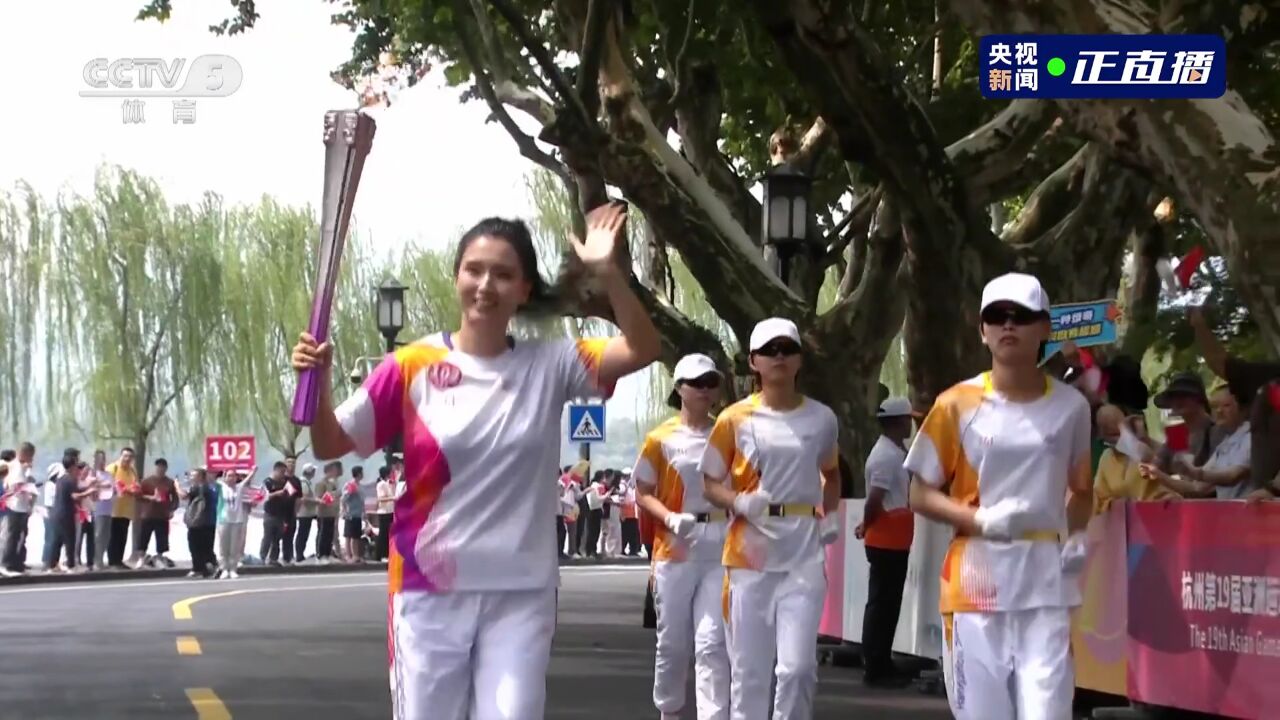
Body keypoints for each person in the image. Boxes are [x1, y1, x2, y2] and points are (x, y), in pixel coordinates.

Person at [289, 202, 659, 719]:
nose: (487, 285)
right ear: (458, 276)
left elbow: (643, 348)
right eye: (475, 270)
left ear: (525, 289)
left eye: (504, 275)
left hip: (521, 592)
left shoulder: (549, 364)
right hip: (428, 593)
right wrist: (319, 381)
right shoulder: (411, 365)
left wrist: (610, 276)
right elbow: (331, 444)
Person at [904, 273, 1093, 720]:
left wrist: (1078, 534)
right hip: (975, 583)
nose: (1009, 325)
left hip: (1045, 584)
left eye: (1022, 317)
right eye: (997, 317)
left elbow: (1082, 491)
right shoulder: (957, 404)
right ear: (983, 330)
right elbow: (918, 492)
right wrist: (981, 520)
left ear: (1045, 328)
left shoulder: (1072, 408)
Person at [700, 318, 841, 720]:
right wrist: (739, 502)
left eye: (787, 349)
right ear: (753, 362)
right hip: (749, 558)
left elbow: (832, 474)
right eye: (770, 350)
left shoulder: (822, 419)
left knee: (796, 670)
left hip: (803, 554)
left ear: (799, 359)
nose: (779, 357)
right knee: (750, 672)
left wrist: (829, 513)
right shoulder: (733, 419)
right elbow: (710, 482)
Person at [634, 353, 731, 720]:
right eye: (698, 383)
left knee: (712, 643)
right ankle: (670, 711)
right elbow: (642, 492)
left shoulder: (728, 432)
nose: (706, 390)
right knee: (673, 643)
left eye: (711, 382)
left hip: (719, 542)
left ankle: (712, 714)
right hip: (675, 548)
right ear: (680, 389)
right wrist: (671, 518)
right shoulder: (660, 439)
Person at [854, 396, 919, 688]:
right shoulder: (884, 456)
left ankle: (882, 661)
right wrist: (866, 525)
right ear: (896, 421)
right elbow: (875, 499)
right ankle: (875, 667)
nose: (911, 424)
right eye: (908, 419)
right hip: (885, 538)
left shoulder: (895, 451)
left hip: (895, 537)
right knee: (881, 602)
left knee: (888, 603)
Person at [1141, 383, 1253, 499]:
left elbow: (1212, 483)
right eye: (1172, 397)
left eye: (1183, 396)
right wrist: (1144, 440)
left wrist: (1193, 473)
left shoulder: (1217, 430)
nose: (1177, 402)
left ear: (1198, 400)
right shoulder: (1177, 432)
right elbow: (1161, 461)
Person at [1092, 405, 1174, 514]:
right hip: (1127, 524)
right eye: (1110, 434)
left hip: (1160, 514)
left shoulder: (1143, 447)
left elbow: (1171, 463)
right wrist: (1120, 505)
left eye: (1118, 432)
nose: (1117, 438)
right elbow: (1099, 498)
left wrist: (1142, 441)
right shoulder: (1106, 458)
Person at [216, 467, 257, 579]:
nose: (231, 478)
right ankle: (224, 568)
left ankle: (233, 569)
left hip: (237, 521)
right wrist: (211, 467)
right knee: (224, 547)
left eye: (233, 476)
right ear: (225, 477)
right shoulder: (221, 487)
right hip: (224, 520)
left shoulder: (239, 487)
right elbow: (210, 478)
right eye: (229, 476)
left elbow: (248, 478)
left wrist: (253, 470)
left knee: (235, 547)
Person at [138, 458, 179, 568]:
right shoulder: (146, 481)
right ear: (155, 467)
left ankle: (160, 558)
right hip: (148, 513)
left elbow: (175, 499)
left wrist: (171, 510)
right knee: (143, 537)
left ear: (166, 469)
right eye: (159, 467)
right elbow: (139, 496)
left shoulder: (169, 482)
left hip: (162, 515)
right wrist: (151, 498)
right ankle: (141, 558)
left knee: (162, 538)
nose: (161, 469)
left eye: (163, 467)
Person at [183, 468, 220, 578]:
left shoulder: (199, 488)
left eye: (193, 475)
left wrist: (176, 485)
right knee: (205, 547)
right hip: (209, 521)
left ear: (200, 477)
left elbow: (183, 496)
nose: (191, 477)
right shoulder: (210, 487)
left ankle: (209, 567)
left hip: (199, 522)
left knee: (197, 546)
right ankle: (201, 569)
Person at [106, 447, 140, 569]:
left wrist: (133, 490)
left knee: (122, 536)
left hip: (127, 510)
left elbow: (136, 486)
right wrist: (123, 489)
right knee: (113, 536)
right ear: (120, 456)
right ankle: (112, 561)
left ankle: (119, 560)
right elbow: (107, 485)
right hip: (114, 509)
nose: (127, 459)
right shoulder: (112, 468)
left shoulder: (132, 471)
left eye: (130, 457)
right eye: (125, 456)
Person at [314, 462, 341, 563]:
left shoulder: (332, 483)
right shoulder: (321, 483)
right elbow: (318, 497)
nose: (335, 472)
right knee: (323, 534)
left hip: (331, 512)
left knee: (330, 534)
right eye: (333, 470)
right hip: (323, 513)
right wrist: (323, 501)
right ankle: (321, 555)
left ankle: (327, 553)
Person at [295, 463, 319, 562]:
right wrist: (316, 501)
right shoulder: (304, 483)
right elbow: (304, 498)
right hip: (304, 513)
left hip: (308, 512)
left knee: (304, 533)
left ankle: (300, 553)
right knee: (303, 533)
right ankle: (299, 554)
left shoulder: (307, 482)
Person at [341, 475, 366, 564]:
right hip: (350, 514)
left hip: (358, 513)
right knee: (351, 536)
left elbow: (362, 500)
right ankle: (351, 555)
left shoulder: (360, 486)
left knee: (356, 535)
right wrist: (349, 492)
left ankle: (355, 555)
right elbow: (343, 499)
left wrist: (364, 512)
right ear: (358, 474)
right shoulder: (350, 484)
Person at [375, 466, 395, 561]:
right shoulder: (381, 484)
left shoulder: (389, 483)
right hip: (384, 512)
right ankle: (381, 554)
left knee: (389, 534)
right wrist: (393, 498)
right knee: (383, 534)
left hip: (390, 510)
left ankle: (388, 553)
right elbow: (381, 498)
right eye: (391, 472)